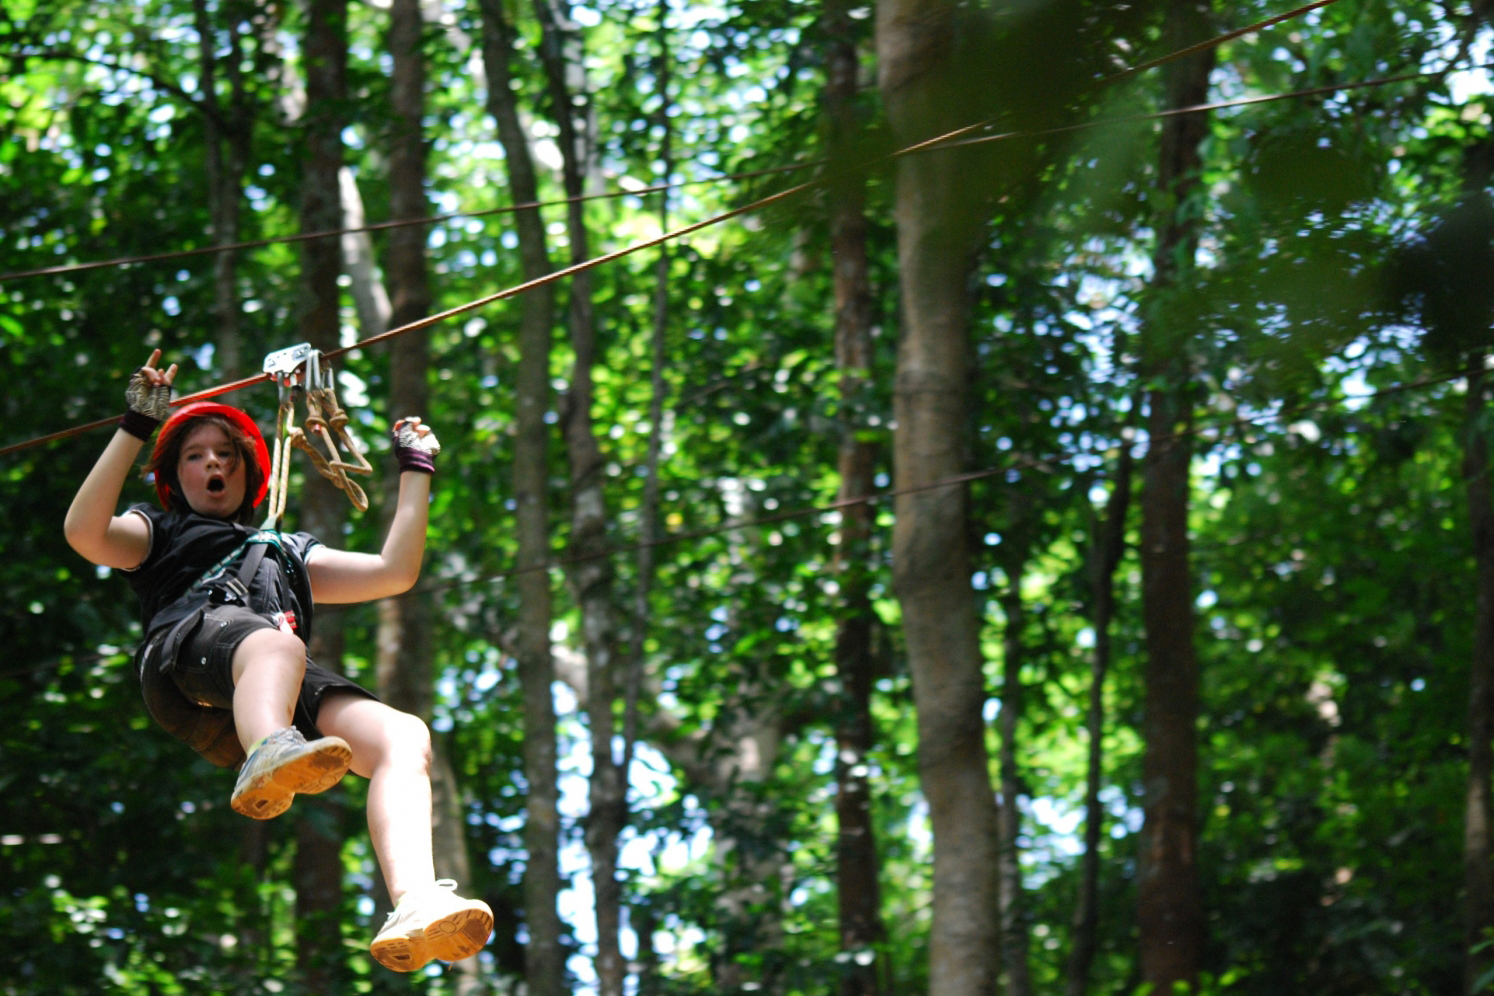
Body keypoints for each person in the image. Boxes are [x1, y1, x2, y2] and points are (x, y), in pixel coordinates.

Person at [63, 350, 492, 973]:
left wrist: (416, 469)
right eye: (195, 455)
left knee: (404, 736)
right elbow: (84, 531)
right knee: (275, 644)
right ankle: (269, 751)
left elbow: (394, 573)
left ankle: (413, 900)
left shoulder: (287, 550)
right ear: (174, 477)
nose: (214, 463)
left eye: (227, 454)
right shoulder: (158, 532)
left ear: (249, 474)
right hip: (187, 654)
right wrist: (136, 424)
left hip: (271, 677)